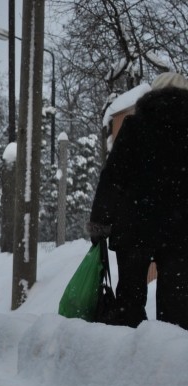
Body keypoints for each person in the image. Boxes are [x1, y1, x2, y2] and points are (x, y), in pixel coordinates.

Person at [88, 71, 188, 330]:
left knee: (129, 302)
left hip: (134, 226)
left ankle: (128, 354)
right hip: (179, 229)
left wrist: (100, 220)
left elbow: (113, 176)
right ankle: (168, 358)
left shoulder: (135, 126)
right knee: (177, 306)